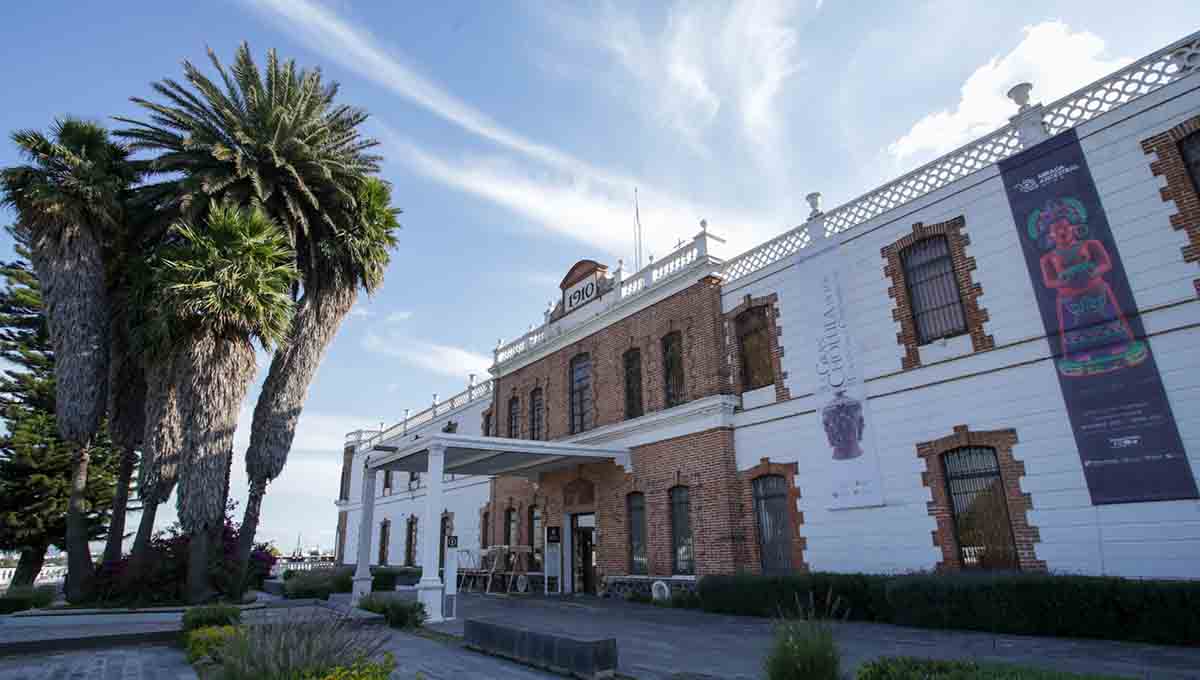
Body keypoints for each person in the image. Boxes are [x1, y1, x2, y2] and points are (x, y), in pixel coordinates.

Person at [1031, 198, 1146, 376]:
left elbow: (1105, 263)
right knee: (1073, 332)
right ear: (1050, 236)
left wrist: (1091, 270)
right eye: (1056, 230)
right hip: (1069, 300)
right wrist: (1064, 279)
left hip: (1098, 291)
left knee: (1112, 323)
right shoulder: (1047, 258)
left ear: (1075, 227)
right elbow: (1049, 281)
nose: (1062, 231)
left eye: (1065, 226)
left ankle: (1123, 349)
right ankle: (1079, 360)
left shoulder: (1090, 244)